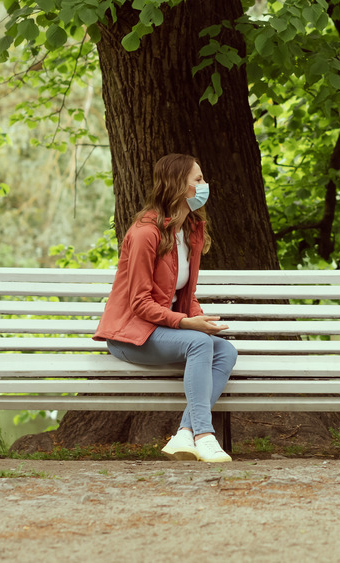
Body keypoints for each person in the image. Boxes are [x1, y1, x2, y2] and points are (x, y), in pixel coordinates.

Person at [94, 153, 237, 463]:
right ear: (178, 187)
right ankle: (204, 435)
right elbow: (139, 304)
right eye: (198, 180)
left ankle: (184, 434)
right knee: (199, 343)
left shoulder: (190, 230)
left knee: (226, 351)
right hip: (130, 335)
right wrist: (188, 325)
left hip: (162, 330)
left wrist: (199, 318)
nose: (205, 185)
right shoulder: (145, 233)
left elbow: (183, 295)